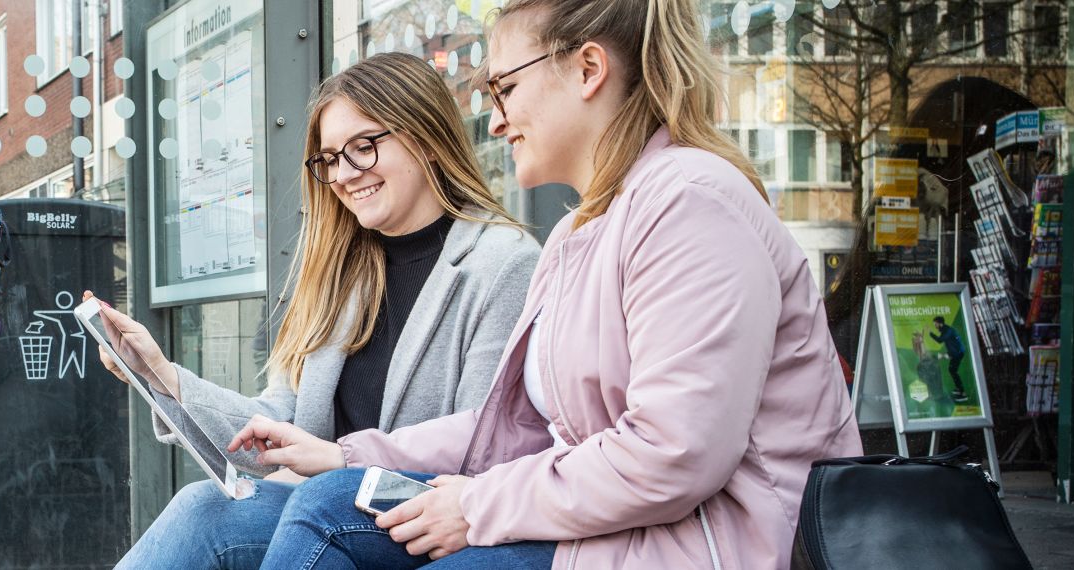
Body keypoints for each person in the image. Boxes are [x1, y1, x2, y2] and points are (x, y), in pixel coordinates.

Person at [228, 1, 861, 568]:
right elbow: (520, 426)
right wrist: (351, 455)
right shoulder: (580, 232)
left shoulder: (690, 200)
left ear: (588, 70)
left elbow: (675, 455)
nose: (495, 122)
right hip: (610, 534)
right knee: (305, 501)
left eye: (502, 88)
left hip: (706, 546)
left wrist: (478, 505)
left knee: (331, 517)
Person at [90, 52, 541, 570]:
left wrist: (343, 459)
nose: (345, 175)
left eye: (363, 148)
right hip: (330, 506)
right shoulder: (342, 270)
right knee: (202, 509)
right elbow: (282, 426)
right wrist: (162, 377)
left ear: (427, 138)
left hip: (428, 511)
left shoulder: (503, 263)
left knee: (306, 508)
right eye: (330, 159)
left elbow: (483, 446)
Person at [930, 316, 968, 401]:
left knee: (953, 371)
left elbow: (940, 340)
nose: (935, 326)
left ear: (940, 323)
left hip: (958, 352)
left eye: (936, 324)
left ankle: (963, 394)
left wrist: (931, 334)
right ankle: (959, 389)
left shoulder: (947, 330)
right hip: (954, 352)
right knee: (952, 370)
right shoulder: (945, 329)